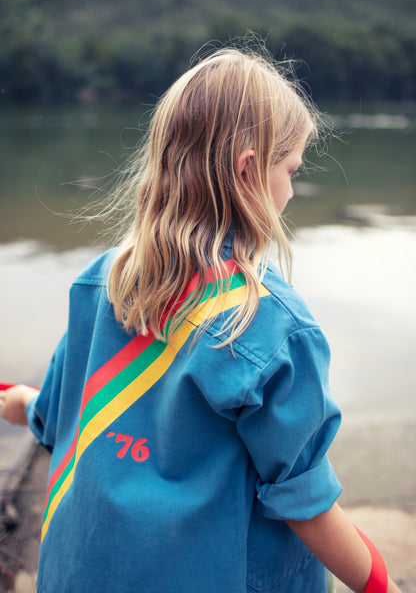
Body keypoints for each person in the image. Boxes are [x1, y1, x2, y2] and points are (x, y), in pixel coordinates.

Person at [1, 45, 401, 593]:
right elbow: (306, 504)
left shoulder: (105, 279)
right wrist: (383, 585)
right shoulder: (269, 327)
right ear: (249, 171)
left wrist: (22, 402)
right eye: (291, 170)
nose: (290, 188)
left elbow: (61, 407)